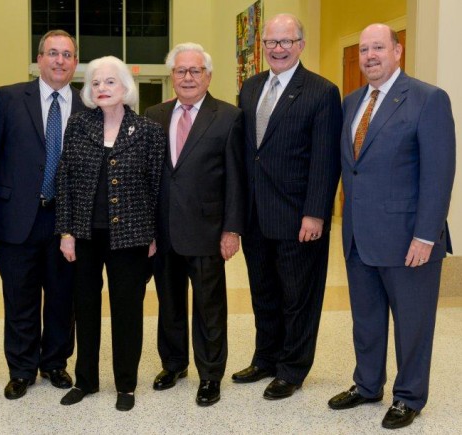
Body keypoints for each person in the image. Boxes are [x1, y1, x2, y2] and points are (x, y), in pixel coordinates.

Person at [328, 24, 456, 430]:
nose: (370, 56)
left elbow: (439, 174)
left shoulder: (427, 99)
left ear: (398, 51)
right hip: (358, 235)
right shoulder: (351, 103)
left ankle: (409, 396)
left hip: (407, 239)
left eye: (378, 48)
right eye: (364, 49)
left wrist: (425, 235)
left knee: (413, 323)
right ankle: (367, 385)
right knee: (365, 319)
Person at [232, 13, 342, 400]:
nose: (277, 49)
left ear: (301, 44)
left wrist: (316, 212)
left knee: (298, 297)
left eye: (285, 42)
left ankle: (292, 369)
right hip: (256, 215)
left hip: (298, 216)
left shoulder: (321, 91)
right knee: (263, 291)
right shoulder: (250, 87)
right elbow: (248, 154)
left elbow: (325, 160)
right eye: (271, 43)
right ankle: (266, 358)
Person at [55, 56, 165, 411]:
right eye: (96, 83)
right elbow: (65, 180)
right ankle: (86, 380)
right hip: (85, 234)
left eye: (109, 82)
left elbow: (157, 187)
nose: (102, 88)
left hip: (130, 237)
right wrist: (66, 231)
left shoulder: (148, 131)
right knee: (84, 308)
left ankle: (126, 385)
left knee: (127, 310)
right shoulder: (77, 126)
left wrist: (152, 236)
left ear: (125, 88)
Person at [145, 43, 244, 407]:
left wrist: (232, 230)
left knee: (209, 307)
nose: (187, 77)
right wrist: (147, 231)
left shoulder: (229, 116)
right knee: (168, 303)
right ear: (171, 76)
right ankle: (173, 364)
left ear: (208, 76)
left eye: (195, 71)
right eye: (180, 71)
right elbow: (149, 176)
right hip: (164, 231)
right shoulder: (154, 114)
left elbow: (237, 178)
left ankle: (210, 374)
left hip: (207, 230)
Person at [0, 30, 81, 400]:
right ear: (39, 59)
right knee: (19, 297)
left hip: (67, 224)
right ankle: (22, 368)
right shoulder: (7, 98)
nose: (60, 61)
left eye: (67, 55)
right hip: (18, 217)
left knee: (63, 298)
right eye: (52, 53)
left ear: (76, 62)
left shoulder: (90, 107)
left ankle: (55, 363)